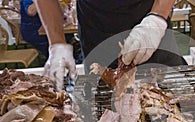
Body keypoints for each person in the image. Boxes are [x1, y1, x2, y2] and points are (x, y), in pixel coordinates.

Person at [34, 0, 186, 91]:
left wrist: (157, 18)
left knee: (168, 98)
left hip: (149, 24)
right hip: (96, 29)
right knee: (103, 102)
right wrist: (57, 43)